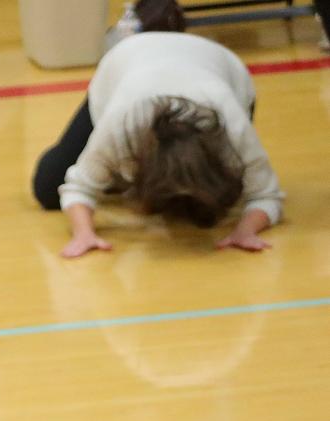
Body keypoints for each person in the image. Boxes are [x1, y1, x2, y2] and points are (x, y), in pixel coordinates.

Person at [30, 32, 284, 258]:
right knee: (48, 185)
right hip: (129, 62)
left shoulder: (231, 123)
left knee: (201, 212)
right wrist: (83, 233)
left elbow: (267, 194)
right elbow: (78, 187)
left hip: (218, 63)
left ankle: (161, 189)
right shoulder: (123, 120)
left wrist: (246, 230)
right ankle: (124, 176)